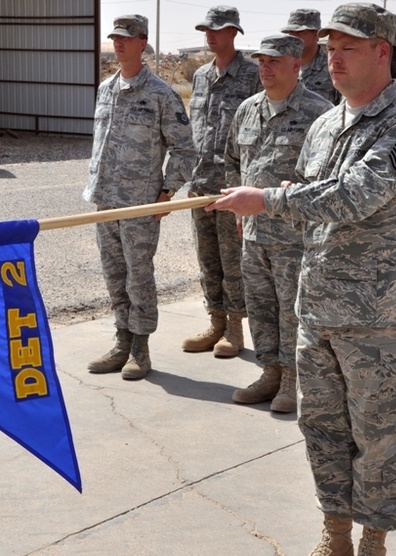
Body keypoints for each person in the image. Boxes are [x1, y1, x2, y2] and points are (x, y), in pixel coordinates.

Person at [211, 3, 396, 556]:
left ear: (383, 53)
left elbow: (353, 195)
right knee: (323, 430)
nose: (333, 57)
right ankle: (334, 540)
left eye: (349, 47)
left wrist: (267, 199)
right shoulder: (324, 124)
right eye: (331, 46)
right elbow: (308, 204)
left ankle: (372, 551)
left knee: (376, 434)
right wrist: (270, 204)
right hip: (317, 306)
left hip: (379, 314)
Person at [224, 34, 332, 412]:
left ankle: (292, 378)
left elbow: (327, 178)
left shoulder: (319, 113)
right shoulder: (248, 109)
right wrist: (239, 207)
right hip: (253, 233)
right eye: (261, 61)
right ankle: (269, 370)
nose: (265, 68)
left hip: (295, 235)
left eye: (273, 61)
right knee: (261, 305)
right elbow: (233, 161)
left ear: (296, 65)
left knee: (293, 308)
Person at [84, 14, 195, 380]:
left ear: (143, 43)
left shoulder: (162, 94)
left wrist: (167, 194)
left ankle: (140, 349)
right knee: (114, 274)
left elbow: (184, 149)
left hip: (141, 203)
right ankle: (121, 341)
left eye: (126, 38)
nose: (119, 43)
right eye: (115, 37)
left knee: (139, 276)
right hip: (106, 201)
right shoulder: (105, 89)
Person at [182, 5, 261, 358]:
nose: (210, 35)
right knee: (208, 259)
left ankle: (234, 328)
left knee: (233, 261)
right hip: (201, 183)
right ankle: (215, 322)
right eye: (206, 30)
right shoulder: (200, 76)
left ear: (234, 32)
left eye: (217, 29)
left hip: (232, 186)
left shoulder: (253, 75)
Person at [281, 9, 339, 104]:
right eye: (291, 32)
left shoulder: (333, 66)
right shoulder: (282, 67)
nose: (294, 37)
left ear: (315, 34)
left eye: (299, 32)